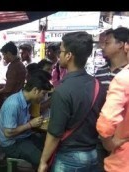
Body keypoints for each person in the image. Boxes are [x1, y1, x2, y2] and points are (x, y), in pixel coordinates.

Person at [38, 32, 106, 172]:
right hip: (93, 155)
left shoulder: (62, 91)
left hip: (69, 159)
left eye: (61, 51)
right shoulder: (98, 85)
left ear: (68, 55)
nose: (59, 55)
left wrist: (43, 161)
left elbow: (55, 133)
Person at [0, 71, 52, 168]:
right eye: (43, 94)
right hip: (11, 144)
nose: (43, 97)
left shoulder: (27, 101)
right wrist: (30, 124)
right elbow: (8, 133)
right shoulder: (13, 104)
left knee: (48, 148)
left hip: (22, 137)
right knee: (42, 160)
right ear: (35, 90)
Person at [94, 27, 129, 172]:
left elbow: (106, 120)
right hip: (101, 138)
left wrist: (108, 142)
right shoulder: (100, 71)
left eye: (107, 43)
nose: (103, 46)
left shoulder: (123, 76)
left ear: (122, 45)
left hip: (119, 142)